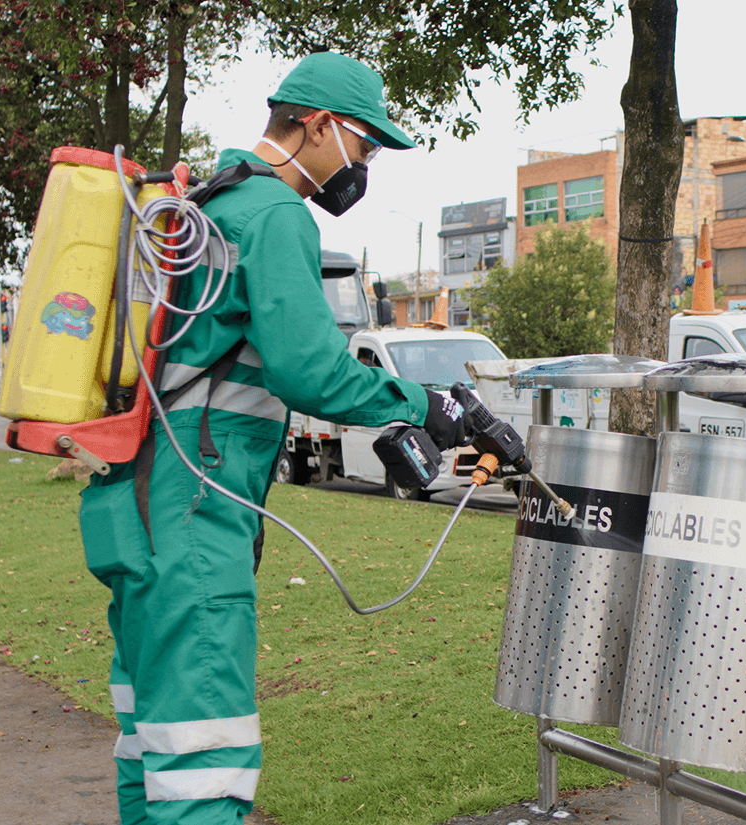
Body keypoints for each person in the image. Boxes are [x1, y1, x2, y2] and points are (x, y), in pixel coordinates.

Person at [77, 53, 467, 825]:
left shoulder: (209, 200)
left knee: (153, 738)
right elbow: (312, 371)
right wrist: (423, 402)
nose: (363, 166)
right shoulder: (273, 212)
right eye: (365, 146)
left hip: (135, 501)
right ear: (317, 125)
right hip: (192, 513)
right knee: (202, 757)